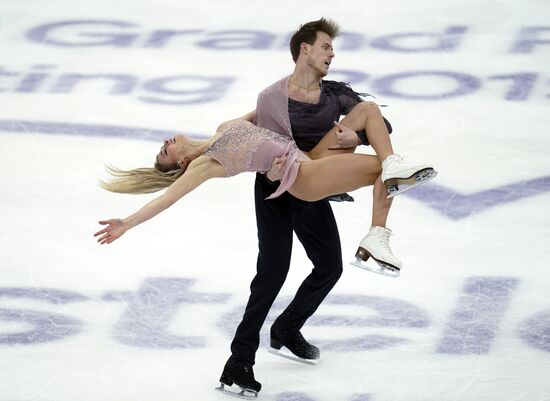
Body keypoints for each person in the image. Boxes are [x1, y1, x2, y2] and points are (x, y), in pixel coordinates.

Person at [213, 18, 435, 398]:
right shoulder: (273, 97)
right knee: (271, 274)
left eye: (332, 48)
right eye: (325, 47)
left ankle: (286, 328)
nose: (332, 53)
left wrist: (357, 134)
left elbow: (384, 123)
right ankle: (239, 362)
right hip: (278, 191)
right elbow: (261, 142)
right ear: (304, 49)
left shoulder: (335, 94)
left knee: (329, 266)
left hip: (315, 186)